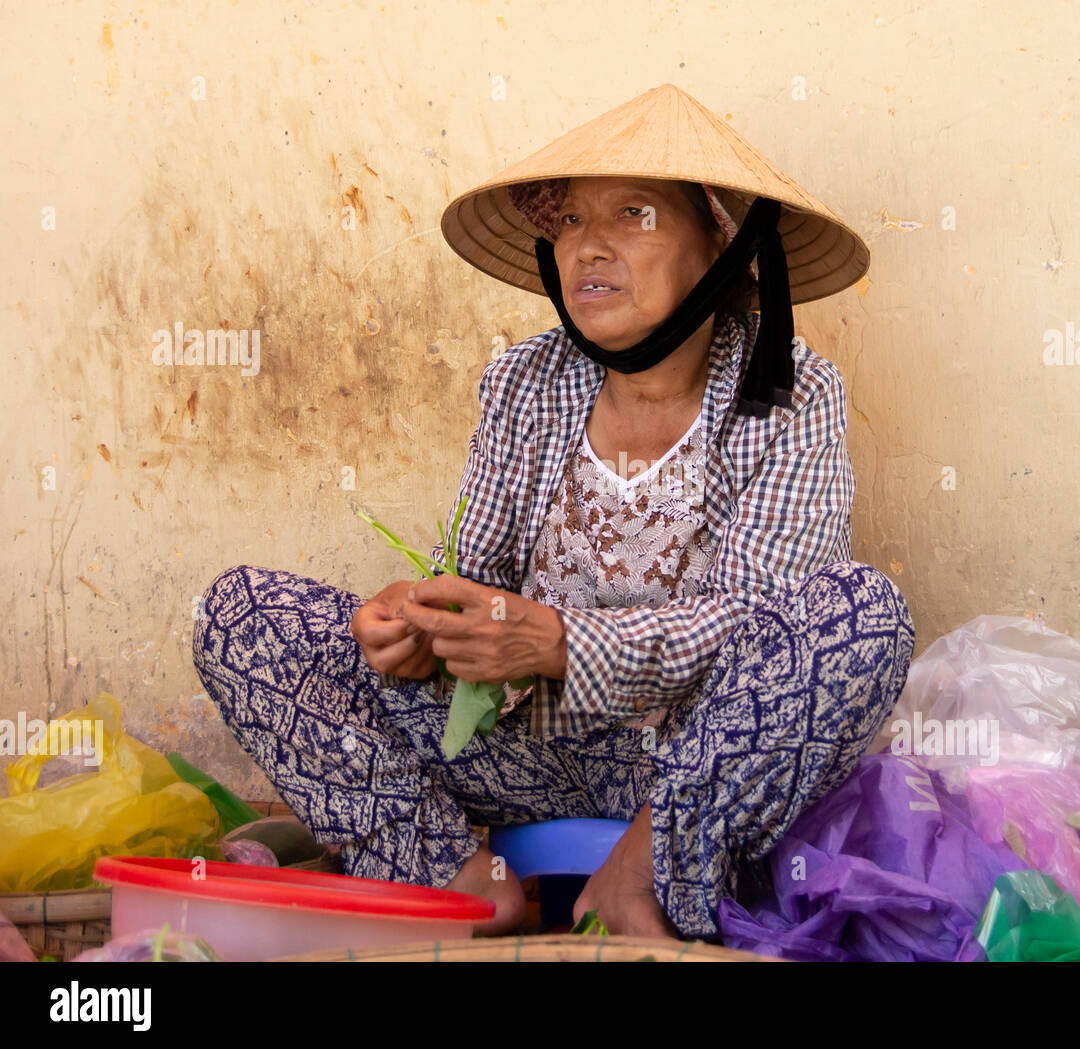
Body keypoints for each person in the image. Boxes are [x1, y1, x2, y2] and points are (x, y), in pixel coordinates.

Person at [193, 84, 915, 940]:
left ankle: (641, 872)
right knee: (241, 614)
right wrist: (421, 616)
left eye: (636, 214)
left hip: (694, 768)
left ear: (722, 247)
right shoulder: (526, 381)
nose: (589, 246)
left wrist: (562, 641)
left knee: (865, 614)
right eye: (570, 221)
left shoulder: (789, 393)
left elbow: (755, 625)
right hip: (522, 742)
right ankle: (449, 879)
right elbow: (476, 573)